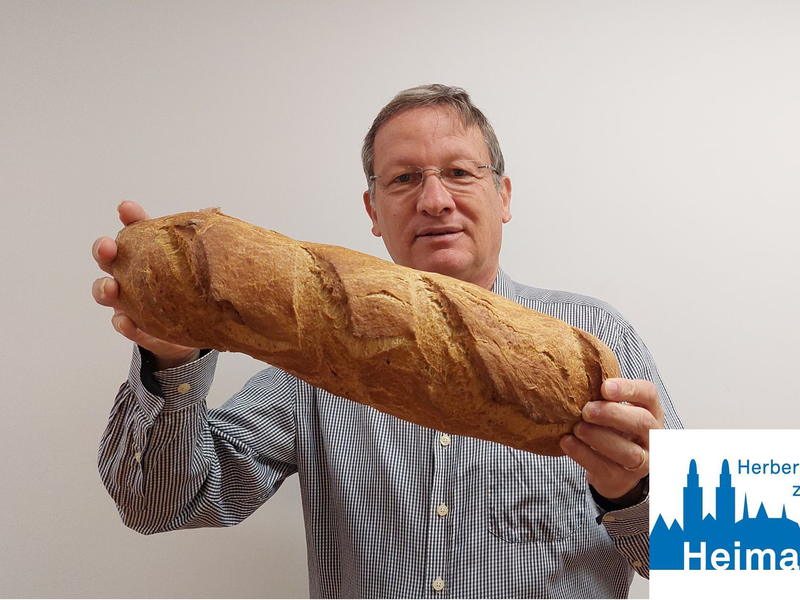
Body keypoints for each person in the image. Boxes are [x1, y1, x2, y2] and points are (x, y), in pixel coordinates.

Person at [93, 84, 681, 598]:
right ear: (373, 210)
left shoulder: (599, 341)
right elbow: (157, 502)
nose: (434, 200)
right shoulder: (311, 366)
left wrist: (638, 491)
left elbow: (708, 557)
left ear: (503, 196)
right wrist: (168, 360)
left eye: (459, 172)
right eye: (404, 179)